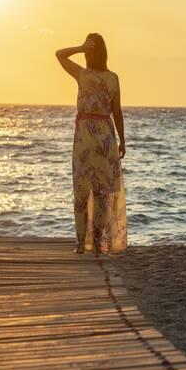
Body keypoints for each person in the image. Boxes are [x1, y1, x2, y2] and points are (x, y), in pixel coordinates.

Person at [55, 33, 128, 255]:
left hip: (91, 136)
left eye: (90, 49)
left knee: (90, 191)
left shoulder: (91, 75)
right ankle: (93, 243)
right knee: (95, 191)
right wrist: (122, 140)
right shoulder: (100, 76)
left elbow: (59, 54)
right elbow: (117, 113)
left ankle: (87, 244)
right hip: (99, 136)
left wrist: (80, 47)